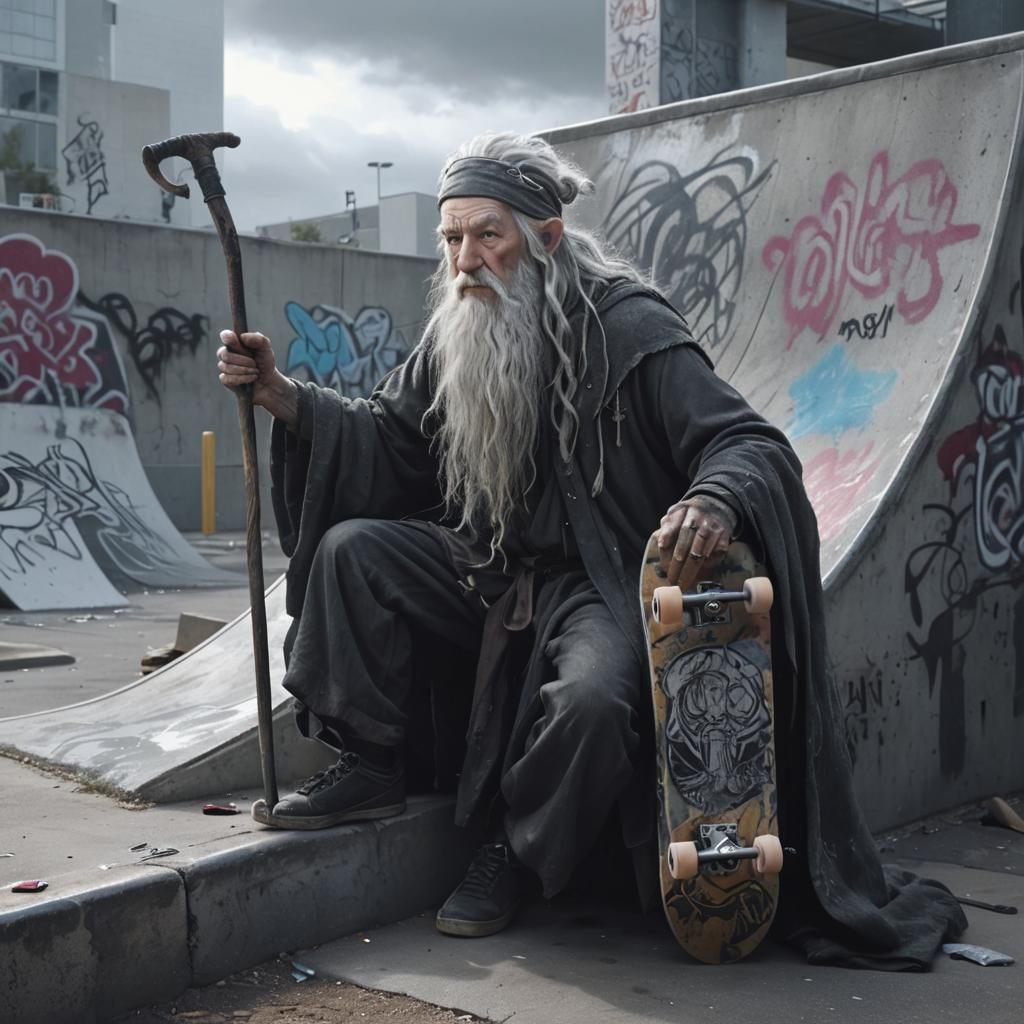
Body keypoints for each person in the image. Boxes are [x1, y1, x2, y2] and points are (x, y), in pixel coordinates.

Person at [217, 132, 966, 964]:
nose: (466, 260)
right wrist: (284, 397)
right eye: (452, 238)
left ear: (544, 238)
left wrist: (713, 498)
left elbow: (749, 442)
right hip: (487, 566)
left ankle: (518, 852)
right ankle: (370, 761)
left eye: (487, 235)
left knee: (596, 704)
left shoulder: (630, 327)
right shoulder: (457, 328)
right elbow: (390, 441)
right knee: (354, 551)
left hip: (596, 585)